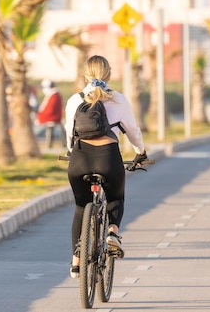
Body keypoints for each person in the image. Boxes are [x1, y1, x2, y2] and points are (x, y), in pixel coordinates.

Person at [64, 55, 147, 278]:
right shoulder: (119, 99)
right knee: (115, 198)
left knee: (82, 206)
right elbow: (132, 131)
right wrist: (140, 151)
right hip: (109, 158)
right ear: (109, 74)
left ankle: (76, 260)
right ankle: (112, 233)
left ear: (85, 75)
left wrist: (71, 153)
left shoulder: (75, 100)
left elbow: (69, 134)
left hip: (80, 159)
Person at [35, 79, 64, 148]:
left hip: (52, 117)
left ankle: (49, 145)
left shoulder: (54, 95)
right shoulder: (52, 94)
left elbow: (50, 110)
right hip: (50, 117)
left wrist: (40, 117)